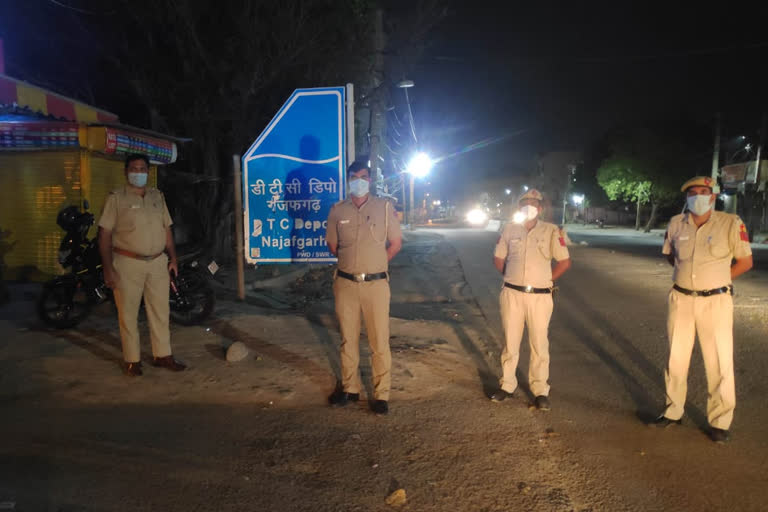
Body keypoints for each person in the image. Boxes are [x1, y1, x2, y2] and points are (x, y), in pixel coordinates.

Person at [653, 176, 752, 443]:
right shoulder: (676, 223)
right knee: (675, 358)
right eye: (693, 192)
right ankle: (673, 411)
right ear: (687, 198)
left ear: (713, 196)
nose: (698, 195)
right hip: (681, 298)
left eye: (704, 191)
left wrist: (717, 280)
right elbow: (669, 254)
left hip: (715, 301)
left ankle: (720, 421)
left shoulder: (731, 223)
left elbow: (745, 261)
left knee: (718, 360)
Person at [98, 153, 186, 376]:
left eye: (143, 168)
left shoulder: (157, 196)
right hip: (127, 263)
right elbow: (105, 234)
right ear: (126, 172)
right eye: (134, 168)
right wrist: (108, 268)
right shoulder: (116, 198)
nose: (139, 172)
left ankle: (163, 355)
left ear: (148, 171)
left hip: (158, 262)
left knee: (161, 311)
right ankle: (132, 360)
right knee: (127, 314)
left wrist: (173, 257)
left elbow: (167, 228)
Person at [325, 160, 402, 415]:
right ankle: (350, 389)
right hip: (345, 283)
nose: (359, 180)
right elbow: (333, 246)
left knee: (379, 340)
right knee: (348, 340)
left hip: (376, 285)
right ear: (348, 180)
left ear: (370, 180)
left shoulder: (385, 207)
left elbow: (395, 243)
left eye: (363, 176)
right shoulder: (337, 210)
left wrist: (376, 264)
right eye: (354, 176)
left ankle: (381, 394)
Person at [490, 189, 572, 410]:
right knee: (510, 343)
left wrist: (546, 280)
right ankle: (507, 385)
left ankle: (539, 390)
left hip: (540, 297)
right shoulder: (509, 229)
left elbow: (564, 262)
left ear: (541, 207)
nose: (530, 205)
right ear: (519, 207)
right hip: (512, 294)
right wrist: (510, 276)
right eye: (525, 202)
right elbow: (498, 257)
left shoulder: (552, 231)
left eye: (534, 202)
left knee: (539, 344)